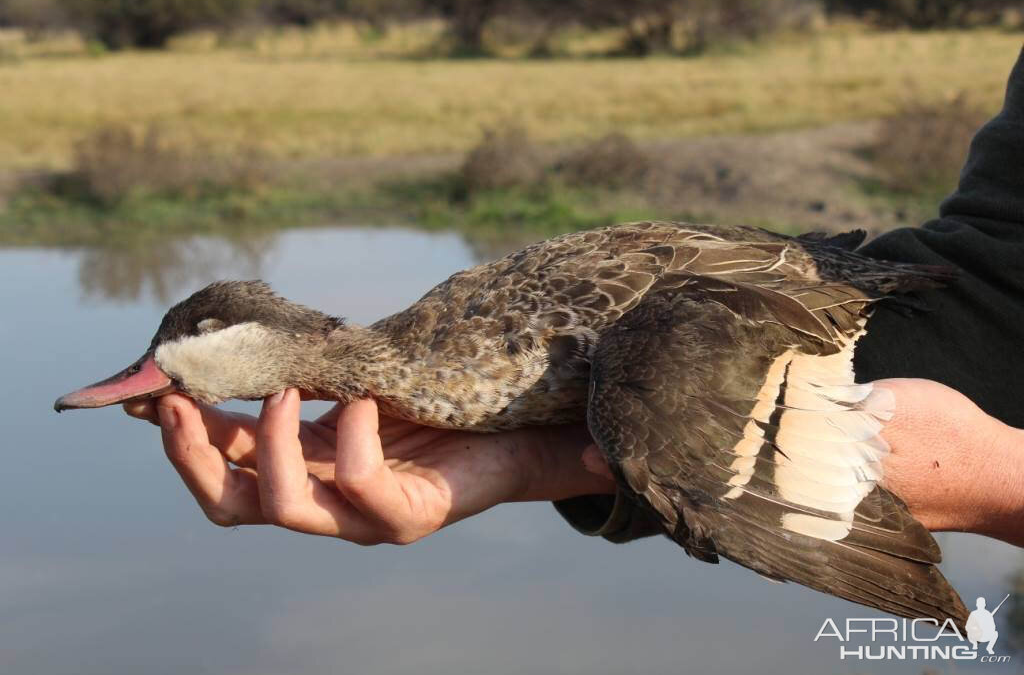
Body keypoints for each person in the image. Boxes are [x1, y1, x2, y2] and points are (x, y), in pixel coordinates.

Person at [125, 48, 1024, 550]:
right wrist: (535, 459)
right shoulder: (433, 327)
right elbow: (991, 281)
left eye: (191, 341)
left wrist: (994, 487)